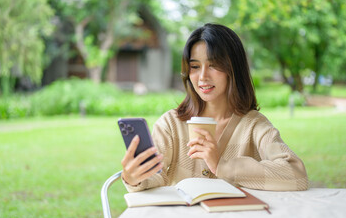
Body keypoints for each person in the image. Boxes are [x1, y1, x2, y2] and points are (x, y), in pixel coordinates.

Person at [121, 23, 308, 192]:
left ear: (233, 69)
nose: (202, 76)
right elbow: (155, 176)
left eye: (214, 65)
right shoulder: (170, 124)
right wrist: (133, 178)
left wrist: (222, 165)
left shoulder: (253, 125)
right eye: (195, 66)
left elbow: (296, 175)